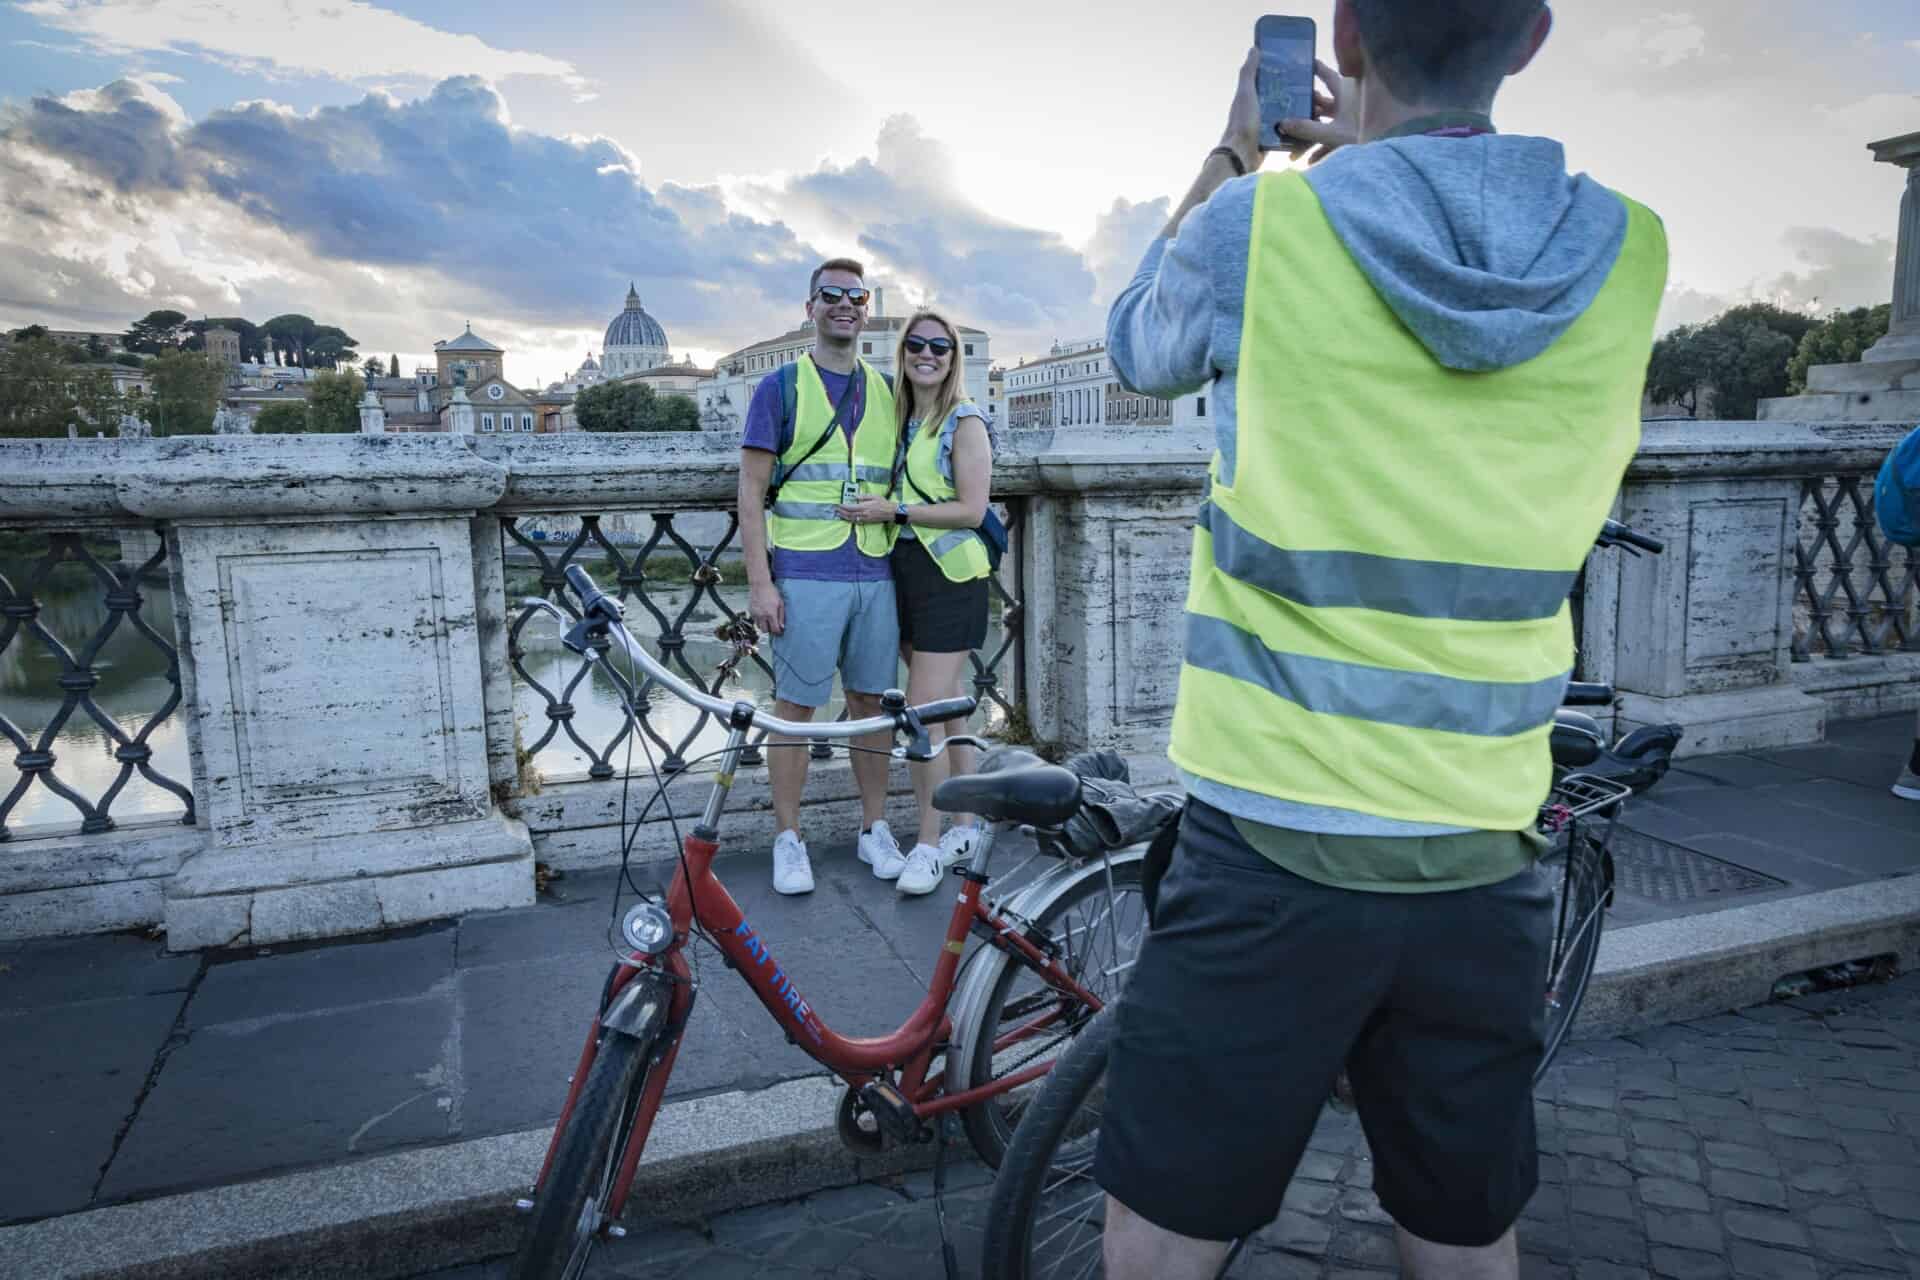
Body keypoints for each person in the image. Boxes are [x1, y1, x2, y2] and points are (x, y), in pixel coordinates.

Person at [1093, 4, 1668, 1278]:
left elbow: (1138, 342)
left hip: (1272, 840)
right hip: (1484, 841)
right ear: (1531, 40)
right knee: (1462, 1230)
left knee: (1160, 1239)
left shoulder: (1266, 230)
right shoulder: (1631, 252)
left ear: (1343, 37)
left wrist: (1244, 151)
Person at [736, 258, 905, 895]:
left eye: (855, 296)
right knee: (796, 708)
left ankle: (874, 828)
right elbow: (750, 493)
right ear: (810, 308)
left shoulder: (887, 390)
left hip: (876, 570)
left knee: (870, 705)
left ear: (866, 307)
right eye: (829, 295)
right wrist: (761, 582)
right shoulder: (779, 387)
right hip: (805, 571)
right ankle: (788, 837)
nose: (844, 304)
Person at [839, 311, 994, 896]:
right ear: (902, 354)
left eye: (941, 347)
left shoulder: (965, 421)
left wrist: (895, 511)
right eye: (917, 346)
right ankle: (966, 824)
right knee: (950, 706)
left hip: (951, 578)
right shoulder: (900, 418)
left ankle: (928, 845)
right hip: (902, 570)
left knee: (924, 710)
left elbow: (972, 510)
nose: (927, 354)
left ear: (953, 359)